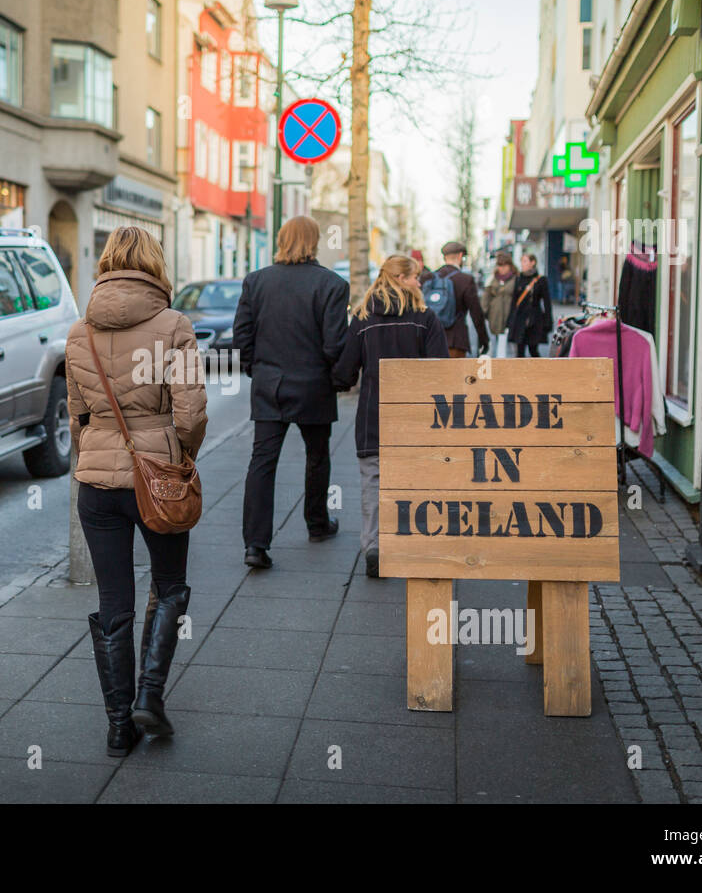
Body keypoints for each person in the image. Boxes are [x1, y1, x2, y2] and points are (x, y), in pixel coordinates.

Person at [65, 226, 207, 757]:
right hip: (158, 477)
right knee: (169, 585)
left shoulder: (80, 331)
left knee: (113, 601)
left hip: (97, 485)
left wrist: (94, 456)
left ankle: (118, 726)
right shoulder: (174, 325)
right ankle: (150, 693)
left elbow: (78, 415)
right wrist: (180, 454)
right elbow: (190, 413)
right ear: (154, 265)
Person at [233, 215, 349, 570]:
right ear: (314, 242)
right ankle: (317, 523)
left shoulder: (256, 281)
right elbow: (335, 344)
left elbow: (242, 338)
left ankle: (255, 544)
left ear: (281, 240)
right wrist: (334, 377)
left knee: (262, 464)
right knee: (317, 457)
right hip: (314, 385)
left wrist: (261, 372)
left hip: (270, 386)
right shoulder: (332, 284)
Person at [333, 255, 448, 578]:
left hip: (373, 415)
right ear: (400, 278)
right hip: (417, 418)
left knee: (373, 481)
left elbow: (344, 373)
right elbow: (441, 370)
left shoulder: (363, 317)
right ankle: (415, 545)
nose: (419, 283)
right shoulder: (425, 319)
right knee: (418, 481)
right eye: (415, 277)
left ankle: (374, 546)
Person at [419, 241, 489, 358]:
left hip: (430, 339)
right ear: (461, 256)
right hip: (456, 341)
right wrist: (483, 341)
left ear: (445, 257)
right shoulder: (465, 279)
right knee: (454, 375)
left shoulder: (428, 277)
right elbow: (476, 314)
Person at [507, 252, 553, 357]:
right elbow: (514, 302)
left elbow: (547, 303)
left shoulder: (541, 280)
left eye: (525, 261)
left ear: (533, 263)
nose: (522, 264)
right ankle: (520, 372)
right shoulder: (518, 279)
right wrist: (510, 321)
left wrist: (548, 321)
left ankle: (537, 372)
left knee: (533, 350)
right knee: (519, 351)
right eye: (521, 261)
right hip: (520, 319)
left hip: (535, 320)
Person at [480, 251, 517, 358]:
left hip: (510, 315)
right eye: (500, 265)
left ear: (510, 266)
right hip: (495, 316)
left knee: (511, 345)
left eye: (505, 265)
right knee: (496, 342)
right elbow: (486, 297)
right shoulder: (492, 279)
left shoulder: (516, 278)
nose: (502, 268)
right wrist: (485, 312)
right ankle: (499, 365)